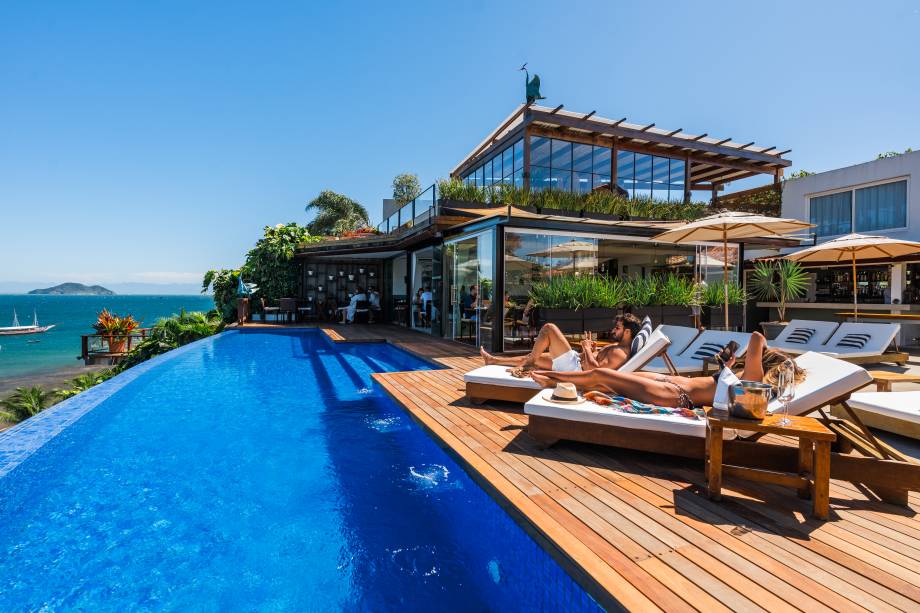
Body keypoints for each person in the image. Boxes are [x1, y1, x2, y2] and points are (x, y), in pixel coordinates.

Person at [530, 332, 805, 409]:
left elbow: (757, 337)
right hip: (671, 383)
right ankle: (562, 384)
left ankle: (551, 380)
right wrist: (728, 368)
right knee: (609, 382)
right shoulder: (745, 380)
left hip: (677, 394)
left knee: (602, 376)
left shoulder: (755, 382)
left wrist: (769, 352)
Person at [480, 314, 642, 372]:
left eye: (617, 328)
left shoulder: (620, 353)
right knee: (534, 355)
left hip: (575, 368)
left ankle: (530, 363)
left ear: (627, 332)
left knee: (549, 329)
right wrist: (590, 350)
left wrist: (586, 348)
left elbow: (595, 372)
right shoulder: (616, 347)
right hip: (575, 360)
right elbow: (595, 360)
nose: (613, 330)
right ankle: (493, 360)